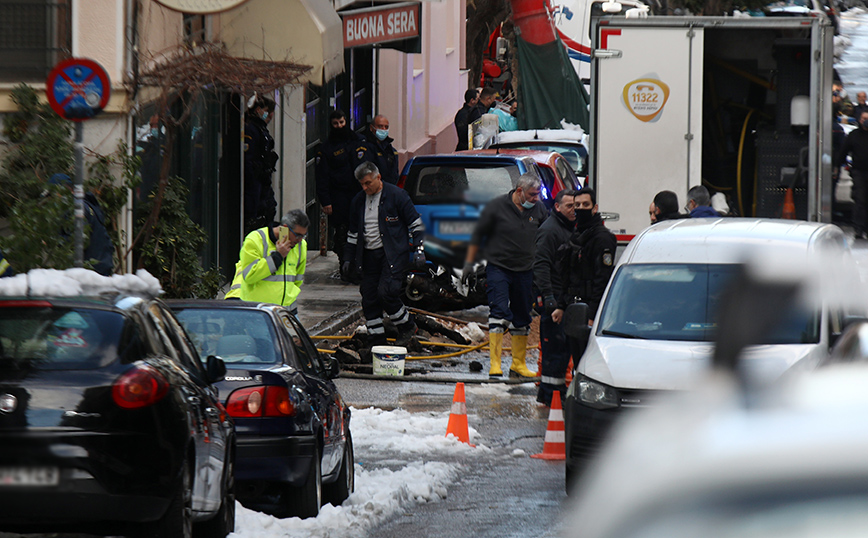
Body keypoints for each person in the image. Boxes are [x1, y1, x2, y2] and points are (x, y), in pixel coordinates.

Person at [463, 173, 548, 378]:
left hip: (526, 270)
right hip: (499, 268)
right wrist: (468, 263)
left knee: (522, 316)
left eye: (538, 194)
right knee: (499, 313)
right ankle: (495, 364)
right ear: (519, 191)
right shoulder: (497, 206)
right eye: (532, 194)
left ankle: (518, 364)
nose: (536, 198)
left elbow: (547, 234)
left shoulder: (539, 209)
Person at [343, 161, 426, 346]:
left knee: (386, 293)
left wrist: (419, 250)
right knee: (369, 297)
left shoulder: (397, 196)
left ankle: (407, 326)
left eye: (368, 183)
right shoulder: (358, 201)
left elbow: (416, 225)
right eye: (362, 184)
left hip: (393, 256)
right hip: (368, 257)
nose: (365, 188)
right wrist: (348, 259)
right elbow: (353, 234)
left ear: (378, 177)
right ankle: (376, 339)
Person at [534, 188, 579, 405]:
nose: (574, 210)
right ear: (557, 207)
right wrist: (548, 296)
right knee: (554, 350)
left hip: (565, 299)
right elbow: (541, 265)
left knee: (562, 350)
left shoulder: (571, 229)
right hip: (553, 301)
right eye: (569, 206)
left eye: (576, 206)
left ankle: (551, 394)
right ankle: (551, 395)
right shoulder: (550, 231)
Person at [563, 187, 617, 359]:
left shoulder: (602, 238)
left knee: (588, 360)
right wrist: (560, 305)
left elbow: (602, 279)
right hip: (574, 306)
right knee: (576, 358)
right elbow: (568, 274)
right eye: (576, 205)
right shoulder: (577, 235)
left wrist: (592, 315)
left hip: (590, 310)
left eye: (585, 204)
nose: (580, 208)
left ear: (595, 208)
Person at [228, 209, 309, 312]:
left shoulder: (301, 246)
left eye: (303, 235)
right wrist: (277, 257)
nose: (300, 240)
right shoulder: (255, 240)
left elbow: (297, 280)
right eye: (298, 235)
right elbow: (249, 276)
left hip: (287, 311)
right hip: (258, 311)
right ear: (284, 229)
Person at [316, 109, 365, 272]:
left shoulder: (358, 141)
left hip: (359, 193)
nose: (339, 126)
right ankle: (345, 265)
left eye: (341, 122)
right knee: (342, 232)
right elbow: (322, 176)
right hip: (339, 196)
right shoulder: (327, 147)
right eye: (335, 123)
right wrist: (326, 201)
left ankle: (359, 264)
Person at [48, 173, 115, 276]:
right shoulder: (87, 206)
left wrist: (54, 241)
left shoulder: (76, 209)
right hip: (100, 267)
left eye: (52, 196)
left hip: (90, 273)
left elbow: (77, 241)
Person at [244, 98, 279, 235]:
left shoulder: (261, 129)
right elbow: (248, 159)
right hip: (254, 183)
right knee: (254, 217)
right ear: (258, 110)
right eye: (267, 112)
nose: (270, 116)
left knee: (269, 210)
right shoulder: (251, 129)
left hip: (263, 182)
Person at [835, 110, 868, 239]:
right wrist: (837, 166)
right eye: (864, 118)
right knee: (860, 199)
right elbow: (843, 151)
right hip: (859, 172)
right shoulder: (853, 135)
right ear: (860, 120)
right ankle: (858, 228)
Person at [355, 115, 400, 185]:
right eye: (380, 126)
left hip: (389, 190)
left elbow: (394, 174)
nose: (383, 129)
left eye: (386, 127)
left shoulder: (391, 150)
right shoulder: (365, 148)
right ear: (371, 128)